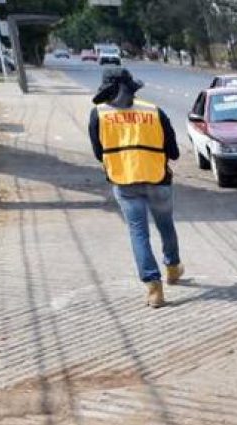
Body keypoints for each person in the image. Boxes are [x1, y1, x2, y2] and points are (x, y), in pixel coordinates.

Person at [87, 67, 182, 308]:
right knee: (166, 225)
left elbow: (99, 153)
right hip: (158, 178)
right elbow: (174, 152)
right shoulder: (153, 111)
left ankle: (154, 289)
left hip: (124, 180)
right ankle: (172, 268)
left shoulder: (99, 115)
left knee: (139, 233)